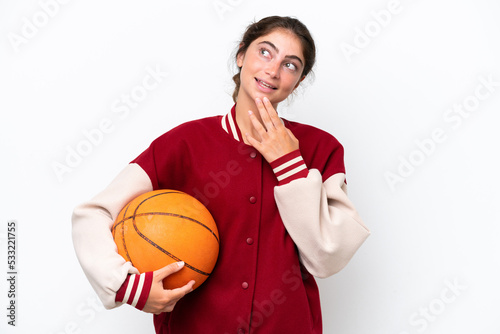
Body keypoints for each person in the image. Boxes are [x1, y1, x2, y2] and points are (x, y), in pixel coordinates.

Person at [72, 15, 370, 334]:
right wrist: (126, 285)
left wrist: (289, 163)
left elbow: (329, 256)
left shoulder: (321, 149)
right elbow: (93, 214)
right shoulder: (184, 143)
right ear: (241, 56)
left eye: (291, 65)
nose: (273, 70)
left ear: (298, 80)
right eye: (265, 52)